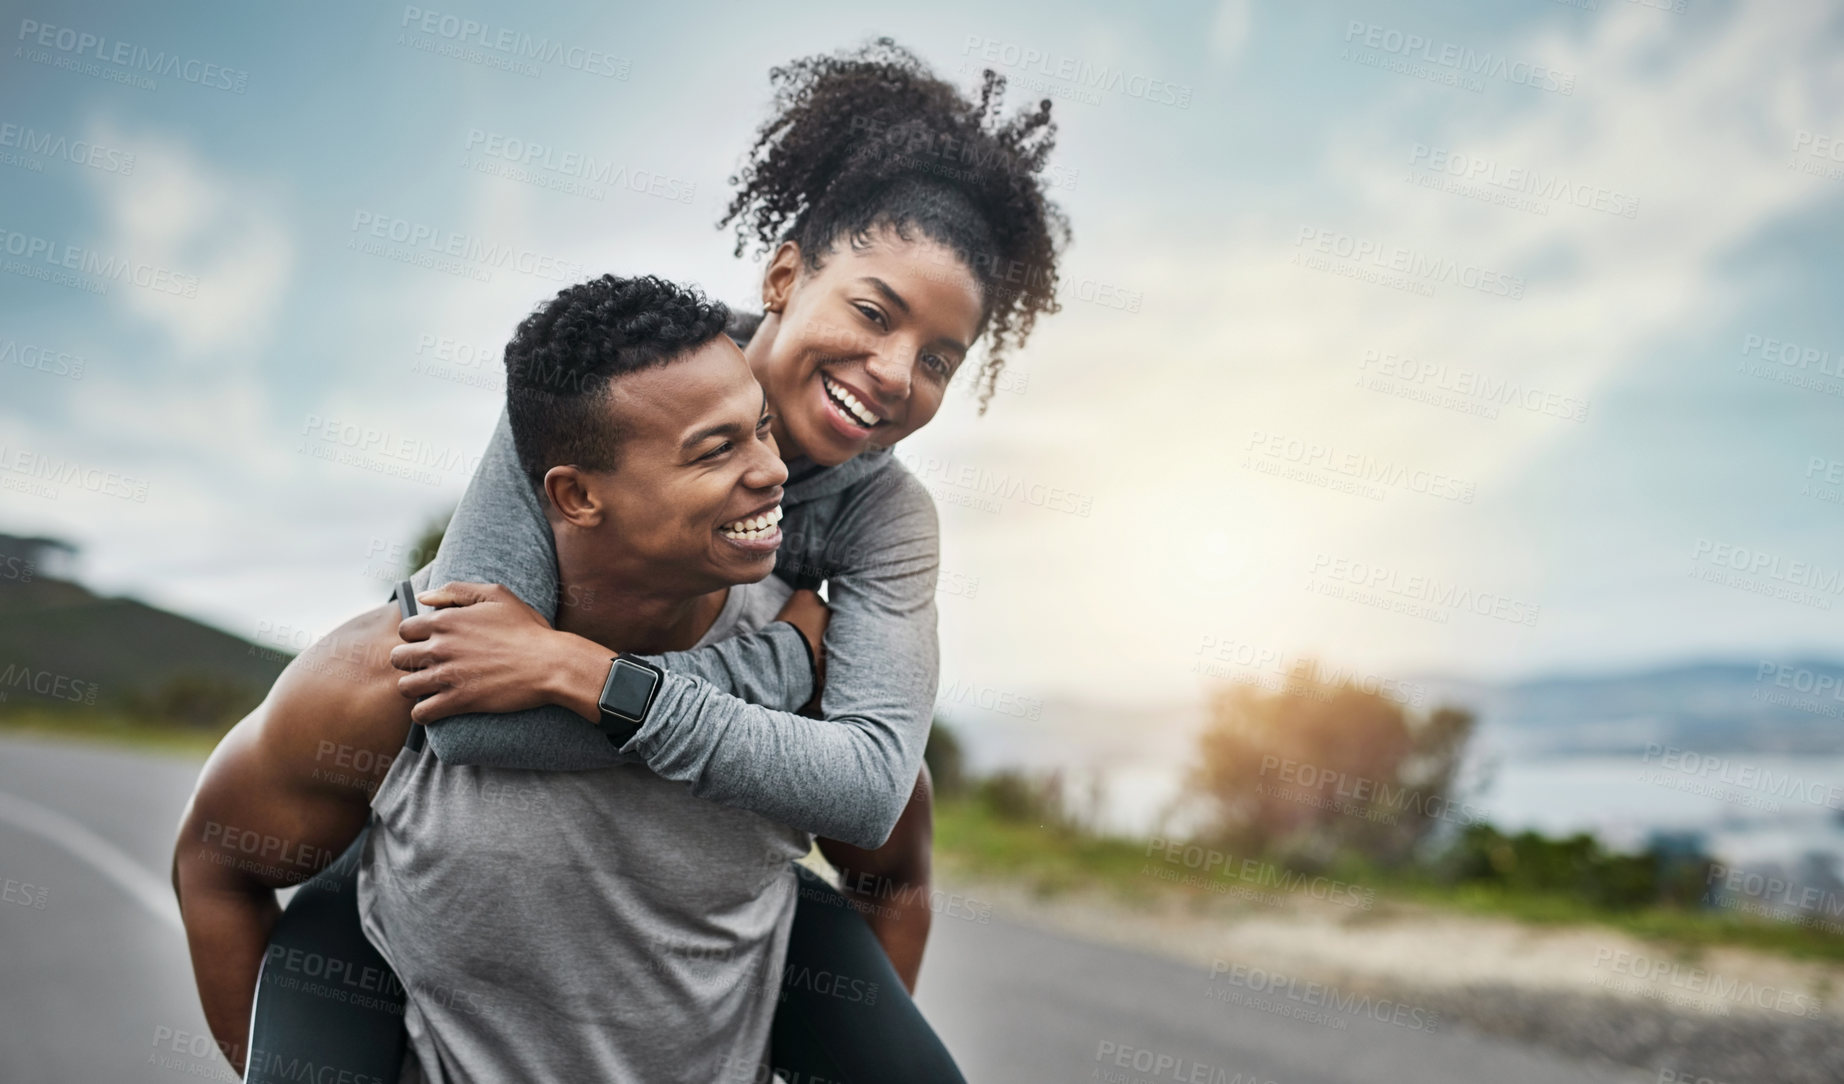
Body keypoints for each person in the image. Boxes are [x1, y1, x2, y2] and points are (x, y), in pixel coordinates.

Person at [390, 38, 1068, 1081]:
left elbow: (865, 793)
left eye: (938, 360)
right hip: (460, 866)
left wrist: (572, 672)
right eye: (874, 313)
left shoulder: (885, 517)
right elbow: (479, 716)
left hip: (718, 882)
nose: (893, 376)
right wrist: (788, 670)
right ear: (787, 274)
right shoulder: (618, 376)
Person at [176, 274, 949, 1082]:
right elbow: (216, 866)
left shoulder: (820, 687)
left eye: (762, 429)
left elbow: (892, 877)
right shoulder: (396, 677)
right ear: (577, 496)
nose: (773, 471)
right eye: (716, 448)